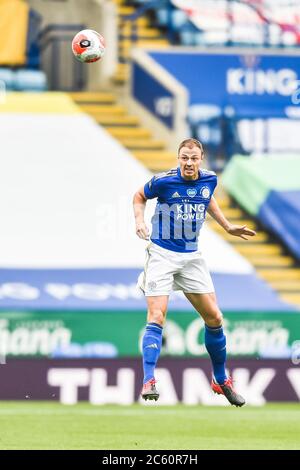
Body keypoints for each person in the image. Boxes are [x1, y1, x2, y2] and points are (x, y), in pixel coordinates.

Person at [133, 138, 256, 407]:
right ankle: (149, 380)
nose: (188, 163)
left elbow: (206, 198)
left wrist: (226, 226)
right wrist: (139, 220)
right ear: (178, 158)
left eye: (193, 158)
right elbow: (139, 195)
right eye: (184, 158)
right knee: (156, 315)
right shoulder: (163, 181)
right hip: (162, 254)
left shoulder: (210, 179)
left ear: (201, 159)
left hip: (191, 256)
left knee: (214, 317)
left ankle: (220, 379)